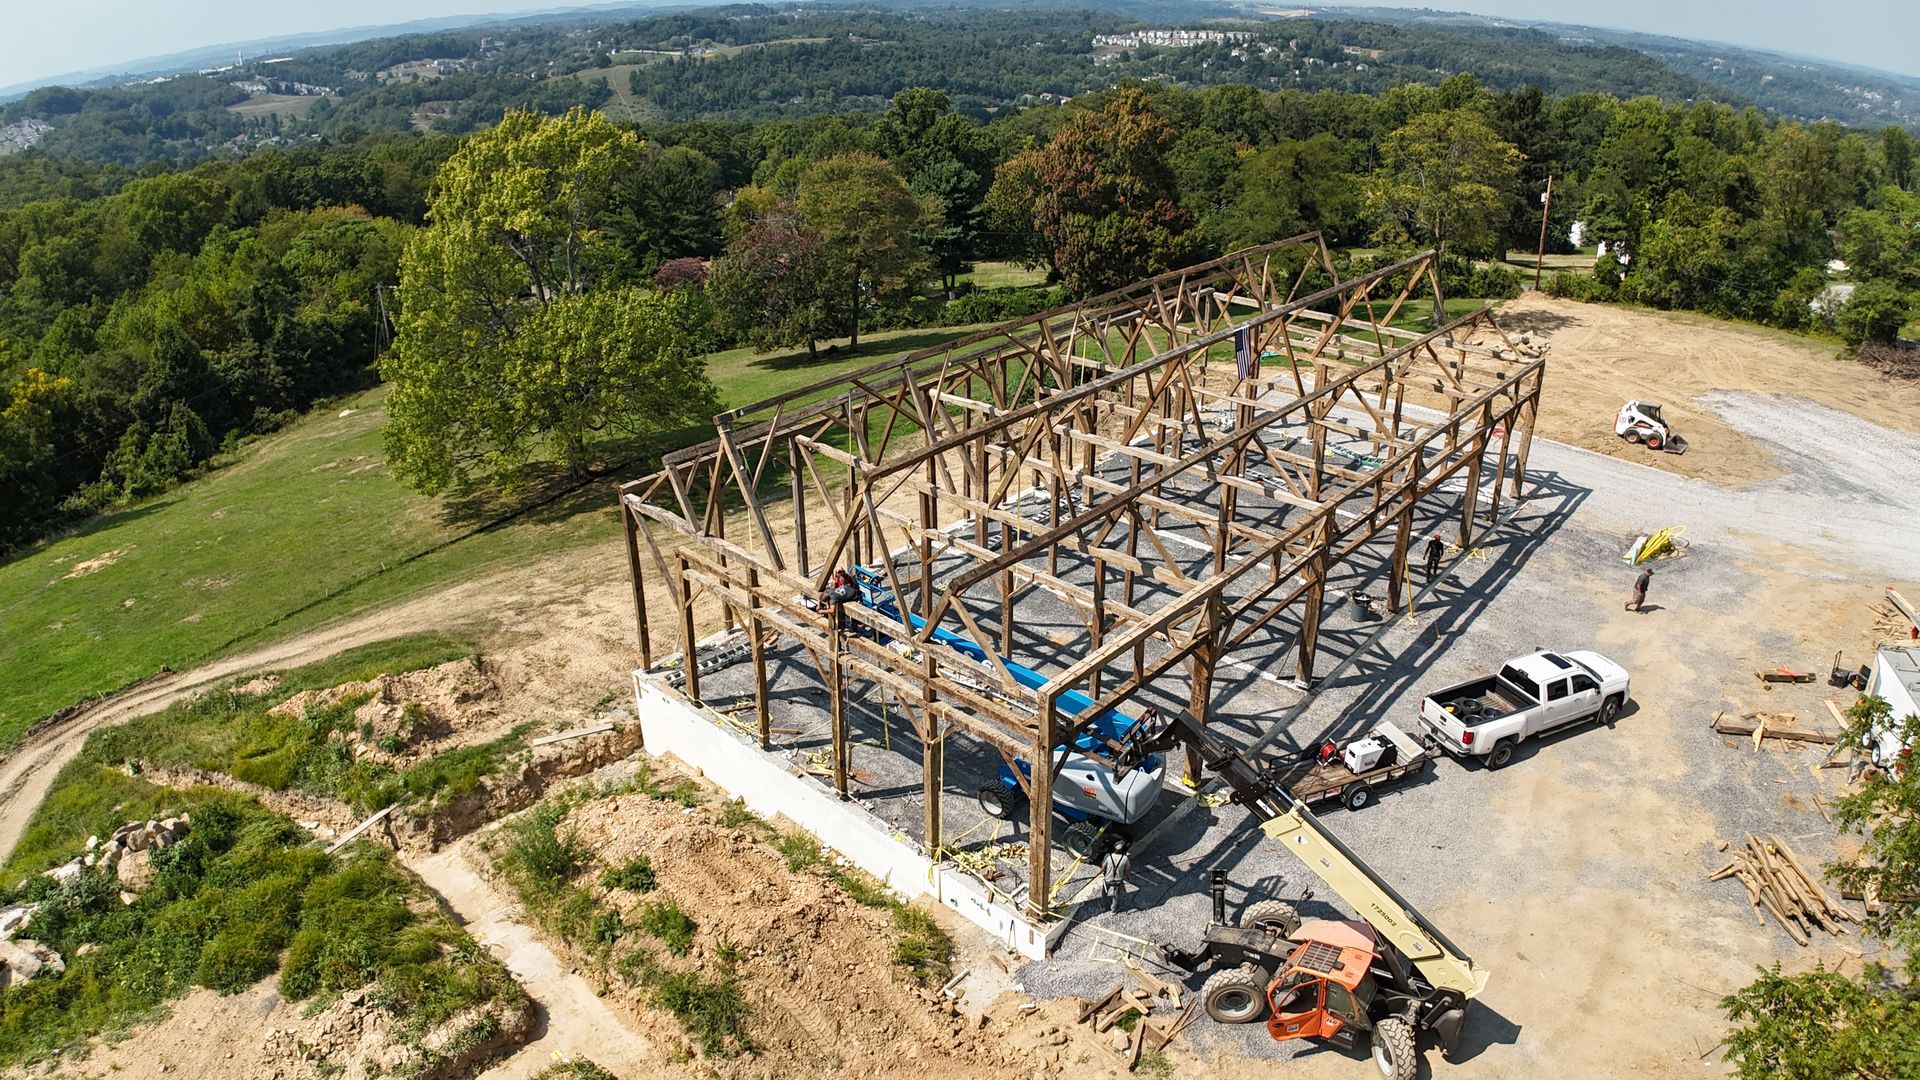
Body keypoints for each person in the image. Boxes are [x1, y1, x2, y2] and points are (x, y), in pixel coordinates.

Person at [1101, 837, 1132, 914]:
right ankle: (1114, 909)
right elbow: (1128, 870)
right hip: (1118, 881)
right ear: (1121, 850)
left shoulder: (1108, 856)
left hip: (1108, 880)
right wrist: (1128, 877)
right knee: (1116, 895)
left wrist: (1103, 872)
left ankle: (1104, 907)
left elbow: (1103, 868)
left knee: (1104, 893)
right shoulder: (1125, 858)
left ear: (1114, 848)